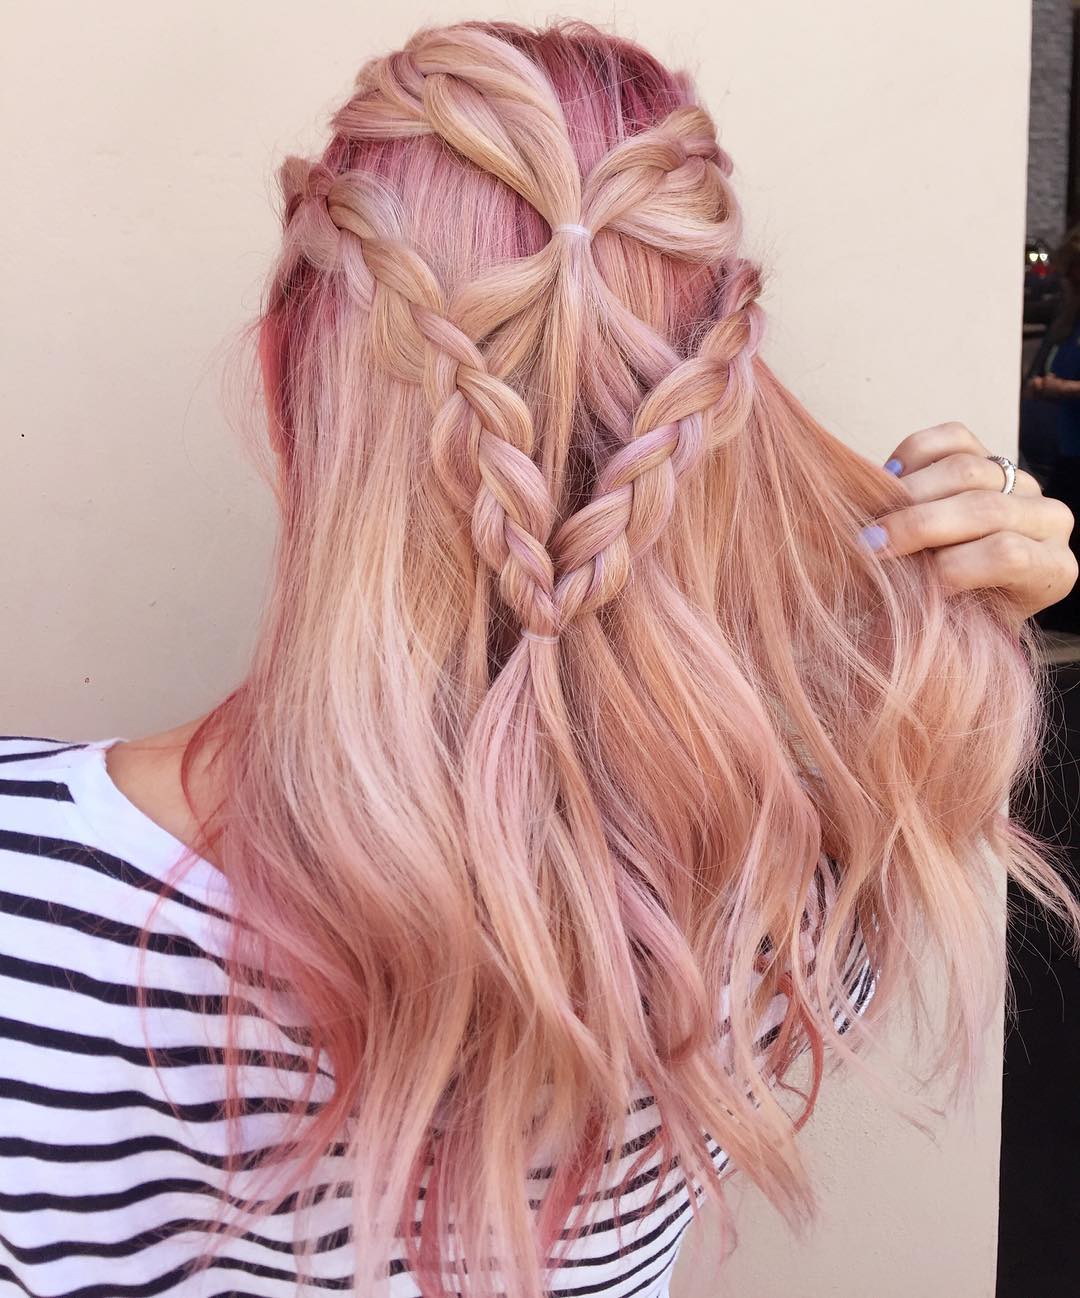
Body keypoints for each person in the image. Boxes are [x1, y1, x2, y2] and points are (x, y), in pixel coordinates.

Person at [2, 19, 1078, 1298]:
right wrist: (962, 616)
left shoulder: (27, 889)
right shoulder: (776, 913)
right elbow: (910, 756)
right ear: (716, 419)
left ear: (294, 377)